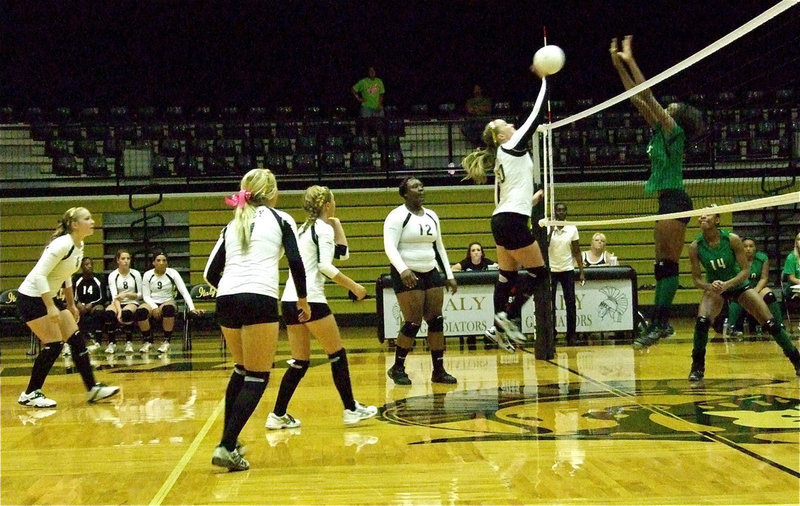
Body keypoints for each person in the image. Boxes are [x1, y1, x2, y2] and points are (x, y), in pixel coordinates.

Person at [204, 168, 310, 471]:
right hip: (259, 297)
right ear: (273, 193)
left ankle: (230, 439)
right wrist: (302, 301)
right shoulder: (281, 219)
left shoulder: (232, 224)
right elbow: (296, 264)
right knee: (258, 375)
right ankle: (226, 445)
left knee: (241, 369)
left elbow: (210, 273)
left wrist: (233, 284)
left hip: (226, 298)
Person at [610, 35, 705, 349]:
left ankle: (659, 323)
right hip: (667, 200)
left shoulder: (673, 131)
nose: (667, 106)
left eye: (672, 107)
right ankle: (660, 324)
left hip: (677, 200)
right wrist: (617, 65)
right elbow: (635, 96)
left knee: (669, 264)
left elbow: (647, 93)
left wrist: (630, 58)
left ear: (677, 117)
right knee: (662, 266)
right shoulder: (659, 130)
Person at [265, 185, 378, 430]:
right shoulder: (320, 230)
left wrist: (337, 226)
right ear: (327, 204)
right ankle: (350, 409)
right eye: (333, 201)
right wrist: (354, 286)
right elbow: (326, 266)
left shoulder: (306, 228)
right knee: (337, 354)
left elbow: (342, 254)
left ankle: (277, 414)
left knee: (300, 361)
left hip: (288, 301)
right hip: (311, 299)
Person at [461, 64, 549, 352]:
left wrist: (529, 201)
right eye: (505, 124)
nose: (511, 124)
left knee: (506, 276)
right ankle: (506, 320)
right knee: (539, 273)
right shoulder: (510, 146)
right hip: (511, 220)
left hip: (501, 218)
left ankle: (496, 328)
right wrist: (545, 80)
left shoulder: (503, 155)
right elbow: (535, 117)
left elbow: (503, 195)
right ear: (500, 135)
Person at [16, 207, 120, 408]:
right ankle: (30, 393)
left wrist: (71, 304)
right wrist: (50, 306)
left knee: (76, 338)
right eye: (87, 218)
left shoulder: (78, 245)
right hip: (31, 298)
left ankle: (93, 389)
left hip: (48, 298)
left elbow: (66, 274)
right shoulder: (61, 244)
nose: (92, 221)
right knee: (54, 344)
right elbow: (39, 275)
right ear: (74, 224)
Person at [687, 210, 800, 381]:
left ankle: (796, 360)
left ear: (717, 219)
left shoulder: (731, 239)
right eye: (700, 215)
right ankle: (697, 367)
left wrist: (727, 284)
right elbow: (696, 279)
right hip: (716, 288)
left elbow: (745, 271)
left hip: (737, 284)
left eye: (708, 214)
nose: (702, 217)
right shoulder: (695, 246)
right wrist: (710, 286)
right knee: (702, 321)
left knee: (770, 323)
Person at [383, 176, 458, 385]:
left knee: (436, 320)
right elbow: (389, 246)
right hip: (407, 273)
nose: (421, 189)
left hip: (430, 271)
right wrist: (403, 269)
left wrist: (449, 276)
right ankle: (397, 367)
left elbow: (439, 246)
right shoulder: (397, 216)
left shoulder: (432, 216)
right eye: (415, 187)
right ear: (405, 193)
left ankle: (439, 370)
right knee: (413, 321)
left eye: (422, 186)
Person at [140, 251, 201, 354]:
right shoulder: (148, 275)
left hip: (167, 300)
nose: (161, 263)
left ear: (167, 263)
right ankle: (147, 341)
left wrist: (192, 308)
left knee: (169, 309)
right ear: (153, 263)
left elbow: (184, 291)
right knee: (141, 311)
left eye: (164, 260)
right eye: (158, 260)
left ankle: (166, 341)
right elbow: (145, 295)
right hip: (152, 301)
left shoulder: (172, 273)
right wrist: (154, 307)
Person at [727, 238, 782, 335]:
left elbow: (764, 278)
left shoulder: (762, 258)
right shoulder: (735, 259)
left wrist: (756, 291)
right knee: (737, 296)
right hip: (742, 287)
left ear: (755, 248)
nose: (748, 249)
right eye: (745, 246)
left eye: (751, 246)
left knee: (769, 295)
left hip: (757, 287)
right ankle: (731, 327)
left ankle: (779, 324)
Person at [548, 203, 585, 346]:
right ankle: (552, 333)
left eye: (563, 210)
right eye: (558, 210)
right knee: (550, 304)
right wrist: (551, 231)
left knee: (571, 304)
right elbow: (544, 246)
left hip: (567, 270)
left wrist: (581, 271)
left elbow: (577, 250)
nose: (561, 212)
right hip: (551, 270)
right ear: (555, 212)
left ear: (566, 213)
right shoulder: (548, 227)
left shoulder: (572, 229)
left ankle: (571, 336)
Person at [103, 248, 144, 354]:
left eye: (128, 258)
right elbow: (114, 297)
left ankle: (129, 342)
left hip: (132, 301)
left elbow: (140, 294)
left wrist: (127, 295)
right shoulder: (113, 275)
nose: (126, 261)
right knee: (109, 313)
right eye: (123, 258)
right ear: (117, 260)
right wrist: (118, 311)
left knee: (127, 313)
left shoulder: (136, 274)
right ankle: (111, 343)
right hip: (117, 302)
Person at [72, 257, 106, 352]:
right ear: (82, 267)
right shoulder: (76, 279)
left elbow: (103, 297)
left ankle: (97, 340)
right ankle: (75, 342)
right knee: (72, 312)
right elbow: (72, 296)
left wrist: (92, 304)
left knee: (99, 311)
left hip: (94, 305)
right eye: (86, 265)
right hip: (81, 306)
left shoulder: (99, 278)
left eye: (91, 264)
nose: (89, 266)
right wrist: (78, 304)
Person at [351, 65, 385, 136]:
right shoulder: (363, 81)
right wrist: (358, 98)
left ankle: (380, 143)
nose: (372, 72)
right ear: (368, 72)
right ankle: (366, 142)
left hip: (377, 107)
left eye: (373, 71)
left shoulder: (379, 81)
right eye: (370, 71)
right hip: (366, 107)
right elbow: (353, 89)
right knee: (365, 125)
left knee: (379, 126)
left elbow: (381, 94)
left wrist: (379, 105)